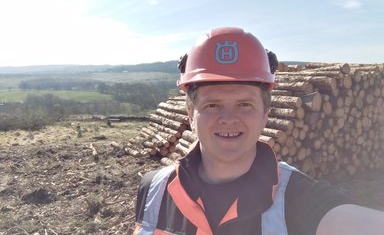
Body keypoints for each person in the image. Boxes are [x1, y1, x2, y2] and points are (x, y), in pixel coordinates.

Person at [133, 27, 384, 235]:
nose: (228, 118)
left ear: (265, 114)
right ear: (190, 114)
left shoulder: (298, 196)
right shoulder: (153, 189)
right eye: (212, 105)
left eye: (245, 104)